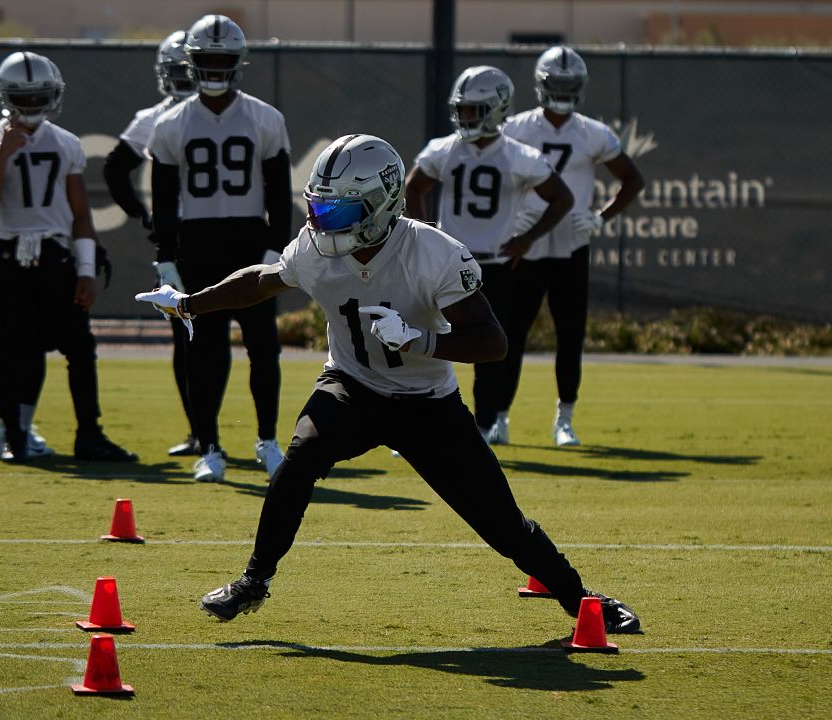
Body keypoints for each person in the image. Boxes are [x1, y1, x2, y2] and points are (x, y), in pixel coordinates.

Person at [137, 134, 640, 634]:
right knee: (298, 461)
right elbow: (264, 279)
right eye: (318, 209)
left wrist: (420, 340)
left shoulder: (432, 251)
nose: (320, 223)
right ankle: (253, 580)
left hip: (427, 403)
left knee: (501, 524)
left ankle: (583, 601)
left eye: (337, 212)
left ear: (380, 204)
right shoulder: (315, 247)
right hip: (351, 386)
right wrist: (189, 303)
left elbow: (493, 342)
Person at [0, 51, 136, 463]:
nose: (33, 104)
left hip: (54, 256)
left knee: (79, 348)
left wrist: (85, 269)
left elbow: (80, 213)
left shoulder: (65, 143)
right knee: (10, 351)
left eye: (41, 95)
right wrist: (4, 153)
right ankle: (14, 435)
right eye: (26, 97)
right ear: (7, 97)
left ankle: (89, 435)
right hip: (8, 257)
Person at [148, 14, 292, 482]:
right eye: (205, 59)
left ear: (238, 63)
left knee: (263, 347)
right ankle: (209, 446)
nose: (213, 67)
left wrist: (275, 249)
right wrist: (165, 257)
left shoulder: (265, 118)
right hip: (199, 242)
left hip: (249, 240)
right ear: (191, 63)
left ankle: (268, 440)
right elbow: (165, 199)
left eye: (221, 59)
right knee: (202, 349)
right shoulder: (171, 124)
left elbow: (278, 191)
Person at [404, 65, 573, 446]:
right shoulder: (445, 149)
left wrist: (527, 238)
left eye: (473, 110)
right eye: (461, 110)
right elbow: (413, 188)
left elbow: (562, 198)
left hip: (494, 266)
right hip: (447, 261)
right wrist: (426, 232)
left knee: (489, 349)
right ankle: (410, 426)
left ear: (497, 109)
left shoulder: (519, 155)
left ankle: (482, 428)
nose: (464, 117)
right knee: (420, 341)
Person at [501, 46, 645, 446]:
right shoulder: (516, 127)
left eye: (569, 85)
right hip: (525, 244)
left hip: (570, 245)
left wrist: (601, 216)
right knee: (511, 333)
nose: (563, 92)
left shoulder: (592, 132)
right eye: (557, 84)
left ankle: (564, 419)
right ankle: (499, 415)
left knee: (570, 335)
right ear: (541, 85)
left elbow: (632, 179)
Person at [103, 30, 203, 458]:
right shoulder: (155, 118)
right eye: (177, 70)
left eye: (190, 68)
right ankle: (203, 431)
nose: (184, 77)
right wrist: (146, 216)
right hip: (183, 236)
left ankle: (256, 435)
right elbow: (114, 168)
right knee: (188, 335)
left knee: (232, 335)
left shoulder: (232, 114)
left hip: (215, 232)